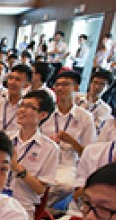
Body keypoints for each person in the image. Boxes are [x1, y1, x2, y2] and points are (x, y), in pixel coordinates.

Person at [41, 71, 96, 206]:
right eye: (58, 85)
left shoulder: (85, 117)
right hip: (43, 158)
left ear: (76, 88)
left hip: (67, 163)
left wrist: (71, 141)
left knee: (64, 185)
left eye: (66, 85)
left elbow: (88, 154)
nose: (60, 88)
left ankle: (43, 209)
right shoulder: (46, 112)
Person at [4, 90, 60, 220]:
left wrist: (17, 168)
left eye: (29, 107)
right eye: (21, 105)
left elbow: (40, 189)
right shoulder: (6, 138)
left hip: (21, 207)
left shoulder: (50, 148)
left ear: (43, 115)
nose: (22, 110)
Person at [0, 64, 31, 133]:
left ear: (27, 85)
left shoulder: (30, 109)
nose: (12, 82)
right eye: (10, 78)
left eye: (17, 80)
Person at [75, 69, 113, 134]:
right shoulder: (76, 97)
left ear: (108, 87)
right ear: (90, 83)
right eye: (95, 82)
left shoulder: (105, 109)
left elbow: (95, 128)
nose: (97, 87)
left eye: (102, 84)